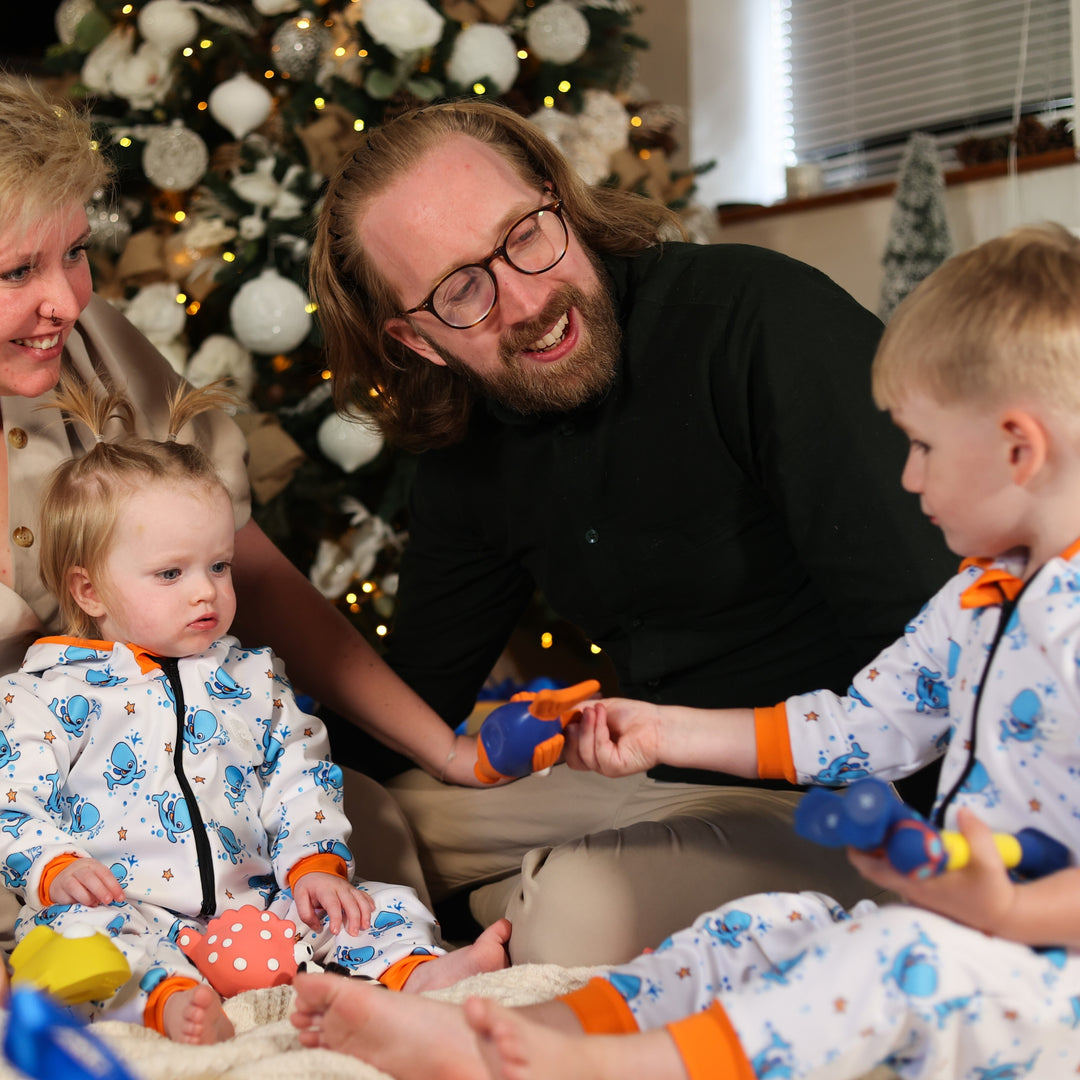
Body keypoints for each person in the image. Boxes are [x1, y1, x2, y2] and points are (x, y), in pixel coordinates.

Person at [288, 223, 1080, 1079]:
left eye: (922, 448)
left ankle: (616, 1071)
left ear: (1017, 448)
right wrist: (667, 734)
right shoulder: (978, 602)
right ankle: (508, 1038)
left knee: (891, 956)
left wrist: (1007, 909)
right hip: (975, 932)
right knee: (752, 930)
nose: (908, 476)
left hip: (1043, 972)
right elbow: (857, 728)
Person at [309, 99, 955, 963]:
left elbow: (943, 653)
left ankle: (530, 907)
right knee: (339, 815)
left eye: (526, 235)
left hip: (841, 786)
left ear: (559, 201)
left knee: (580, 908)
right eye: (461, 290)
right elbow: (418, 698)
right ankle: (526, 901)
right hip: (648, 775)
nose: (528, 300)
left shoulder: (756, 317)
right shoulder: (472, 449)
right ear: (417, 340)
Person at [0, 75, 505, 941]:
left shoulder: (95, 344)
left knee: (373, 822)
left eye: (75, 252)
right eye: (17, 271)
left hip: (171, 791)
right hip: (31, 811)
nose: (68, 301)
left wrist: (445, 749)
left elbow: (252, 574)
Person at [0, 375, 509, 1044]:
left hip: (259, 907)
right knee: (71, 944)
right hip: (130, 909)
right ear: (88, 589)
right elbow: (12, 805)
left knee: (374, 905)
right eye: (171, 574)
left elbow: (303, 780)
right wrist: (54, 867)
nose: (206, 592)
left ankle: (419, 973)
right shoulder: (42, 694)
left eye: (220, 566)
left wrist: (313, 866)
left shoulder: (252, 679)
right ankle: (170, 1002)